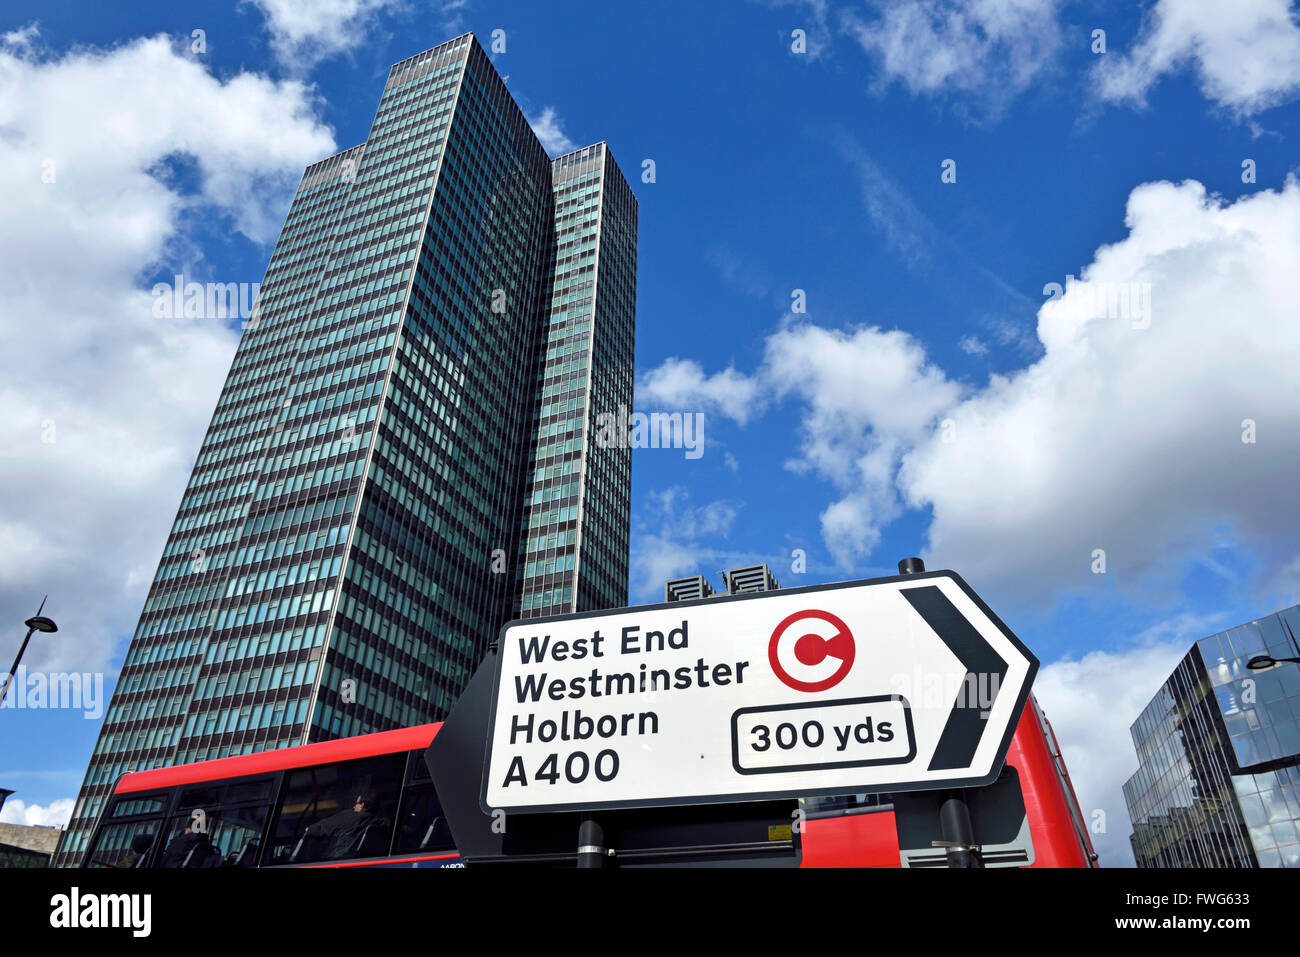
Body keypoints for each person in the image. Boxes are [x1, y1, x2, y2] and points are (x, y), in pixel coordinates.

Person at [303, 790, 382, 859]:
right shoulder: (381, 823)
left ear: (362, 805)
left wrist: (307, 829)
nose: (354, 806)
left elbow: (316, 829)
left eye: (356, 803)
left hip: (336, 861)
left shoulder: (348, 816)